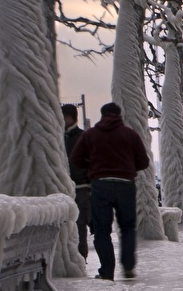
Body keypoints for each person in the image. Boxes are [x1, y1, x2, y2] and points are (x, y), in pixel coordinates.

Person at [68, 101, 150, 281]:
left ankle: (107, 271)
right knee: (127, 227)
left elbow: (76, 158)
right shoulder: (130, 134)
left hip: (100, 184)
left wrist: (91, 168)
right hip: (125, 185)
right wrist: (128, 167)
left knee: (102, 229)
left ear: (102, 114)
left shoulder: (91, 134)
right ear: (119, 115)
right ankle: (128, 266)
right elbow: (144, 162)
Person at [62, 103, 90, 259]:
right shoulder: (58, 136)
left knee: (80, 224)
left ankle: (81, 256)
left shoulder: (82, 136)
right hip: (65, 187)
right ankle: (71, 256)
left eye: (66, 117)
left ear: (73, 118)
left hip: (81, 186)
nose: (64, 120)